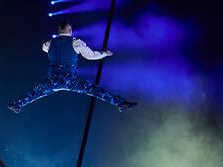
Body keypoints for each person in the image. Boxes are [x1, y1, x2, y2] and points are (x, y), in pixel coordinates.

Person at [8, 20, 137, 113]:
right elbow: (90, 56)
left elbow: (45, 48)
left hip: (53, 79)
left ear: (58, 31)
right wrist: (104, 53)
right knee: (96, 90)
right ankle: (120, 103)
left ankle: (18, 104)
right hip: (70, 80)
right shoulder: (76, 42)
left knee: (35, 93)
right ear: (70, 31)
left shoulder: (49, 43)